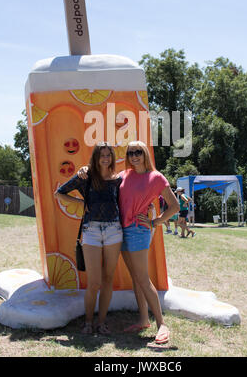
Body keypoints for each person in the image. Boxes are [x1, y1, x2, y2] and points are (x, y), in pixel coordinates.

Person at [78, 141, 179, 344]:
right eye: (131, 152)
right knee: (135, 277)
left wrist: (155, 221)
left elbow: (174, 206)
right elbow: (103, 176)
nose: (134, 156)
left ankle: (161, 324)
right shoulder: (124, 175)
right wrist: (84, 169)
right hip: (118, 230)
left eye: (138, 152)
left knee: (142, 277)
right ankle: (143, 320)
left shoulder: (156, 177)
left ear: (145, 154)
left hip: (137, 231)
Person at [54, 142, 123, 335]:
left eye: (109, 155)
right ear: (95, 157)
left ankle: (101, 322)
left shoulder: (118, 179)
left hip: (114, 231)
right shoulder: (85, 176)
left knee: (108, 278)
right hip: (91, 230)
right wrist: (81, 202)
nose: (106, 159)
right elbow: (59, 193)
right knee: (93, 282)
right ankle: (88, 322)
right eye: (102, 155)